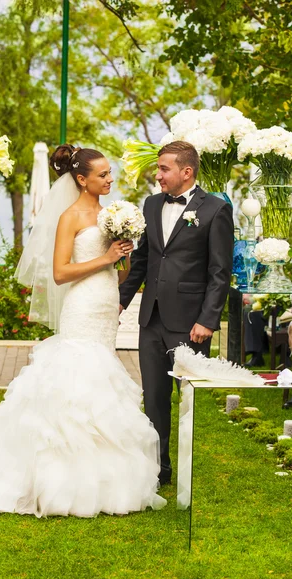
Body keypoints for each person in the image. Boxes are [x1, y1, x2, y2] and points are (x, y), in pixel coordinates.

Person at [0, 144, 167, 517]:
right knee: (76, 382)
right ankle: (57, 477)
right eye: (103, 174)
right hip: (82, 306)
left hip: (107, 305)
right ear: (81, 179)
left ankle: (98, 477)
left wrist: (121, 256)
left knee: (102, 381)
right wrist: (103, 258)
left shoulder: (110, 216)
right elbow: (60, 272)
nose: (110, 179)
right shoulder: (70, 216)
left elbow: (117, 272)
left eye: (110, 174)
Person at [119, 141, 234, 486]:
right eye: (158, 168)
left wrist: (208, 320)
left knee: (188, 400)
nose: (158, 175)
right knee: (154, 397)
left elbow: (220, 272)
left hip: (190, 322)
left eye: (164, 169)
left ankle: (189, 471)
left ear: (187, 172)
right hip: (150, 318)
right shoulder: (152, 204)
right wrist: (120, 301)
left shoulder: (215, 209)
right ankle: (159, 469)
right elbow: (143, 259)